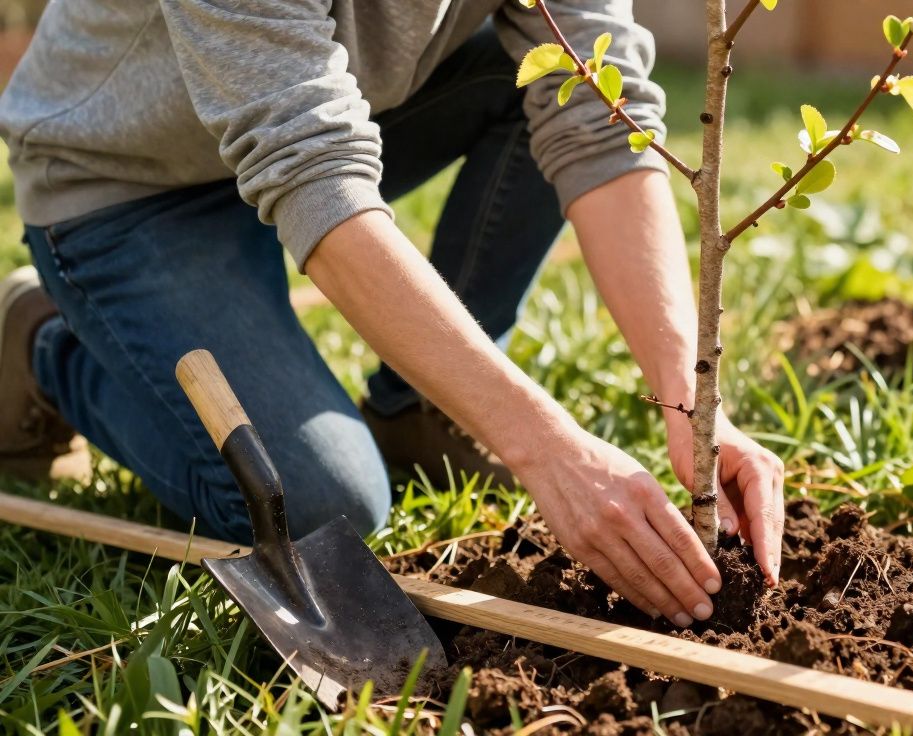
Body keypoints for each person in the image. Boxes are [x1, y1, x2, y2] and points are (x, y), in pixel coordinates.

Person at [0, 0, 785, 629]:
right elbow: (311, 175)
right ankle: (41, 341)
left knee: (550, 72)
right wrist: (547, 449)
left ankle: (418, 409)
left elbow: (599, 113)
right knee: (320, 505)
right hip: (129, 183)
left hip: (318, 119)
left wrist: (690, 399)